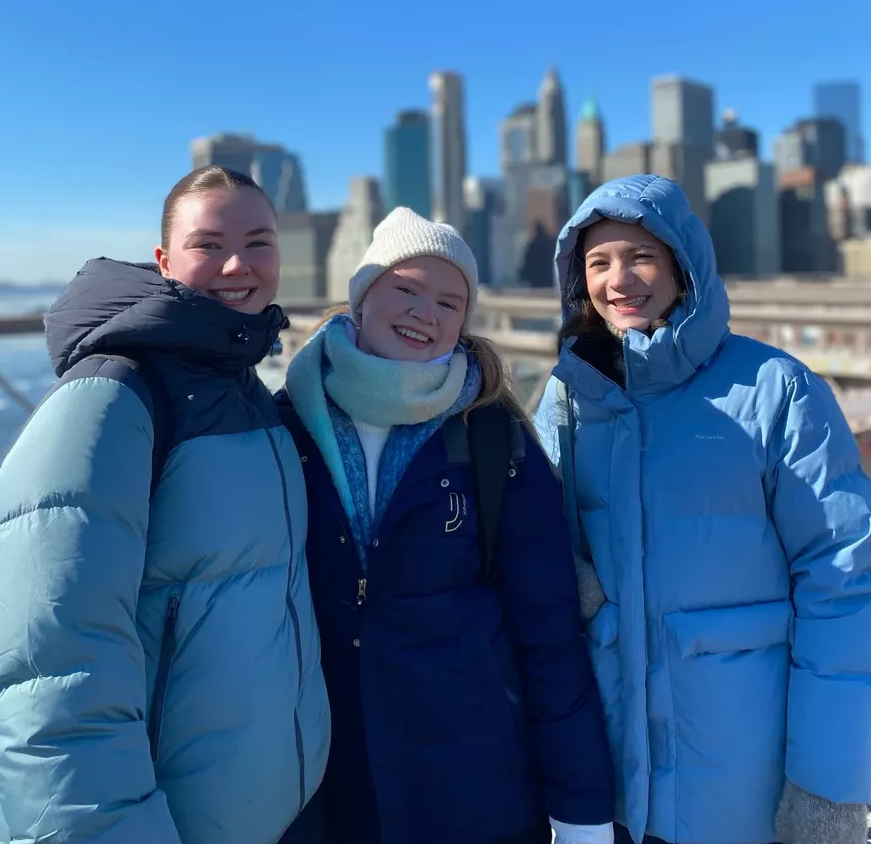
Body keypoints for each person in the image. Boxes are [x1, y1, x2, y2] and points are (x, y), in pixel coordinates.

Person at [0, 166, 330, 844]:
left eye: (258, 243)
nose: (238, 265)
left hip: (272, 815)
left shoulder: (249, 395)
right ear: (165, 261)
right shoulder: (112, 396)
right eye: (209, 245)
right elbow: (50, 673)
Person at [534, 174, 871, 844]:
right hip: (613, 780)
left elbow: (844, 582)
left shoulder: (777, 390)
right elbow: (539, 541)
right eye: (598, 263)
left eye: (641, 256)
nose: (619, 280)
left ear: (685, 266)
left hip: (744, 781)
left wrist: (828, 787)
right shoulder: (570, 399)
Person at [276, 207, 615, 844]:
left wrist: (581, 811)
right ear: (361, 294)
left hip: (474, 786)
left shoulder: (490, 437)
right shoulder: (286, 426)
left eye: (448, 302)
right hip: (325, 786)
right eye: (405, 288)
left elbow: (549, 636)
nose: (424, 313)